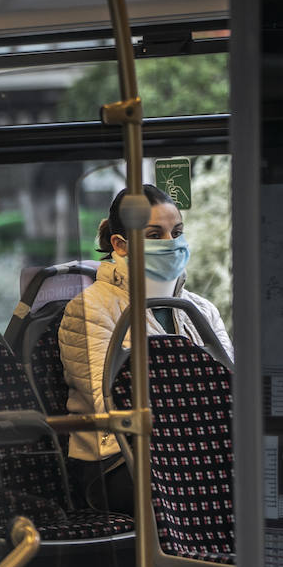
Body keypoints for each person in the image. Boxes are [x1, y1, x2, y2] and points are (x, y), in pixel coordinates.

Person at [58, 183, 233, 512]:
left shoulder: (201, 309)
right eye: (155, 235)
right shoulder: (90, 309)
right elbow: (109, 404)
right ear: (120, 245)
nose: (172, 244)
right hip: (117, 461)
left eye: (177, 232)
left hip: (197, 447)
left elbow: (232, 388)